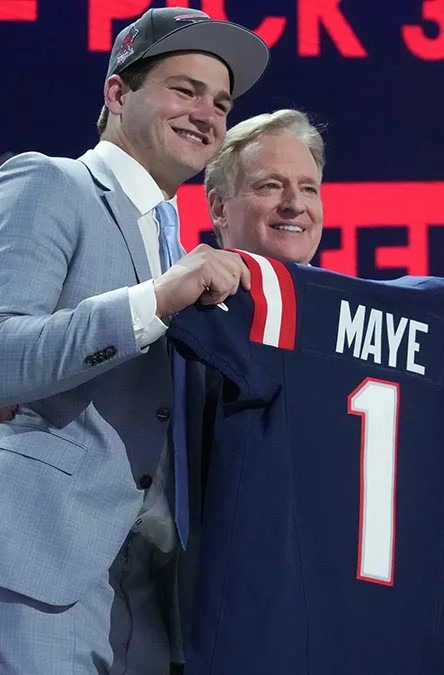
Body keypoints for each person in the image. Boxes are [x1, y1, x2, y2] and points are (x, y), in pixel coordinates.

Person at [0, 6, 268, 674]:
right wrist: (153, 300)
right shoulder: (50, 183)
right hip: (41, 571)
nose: (207, 113)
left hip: (149, 593)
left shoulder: (176, 244)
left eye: (221, 102)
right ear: (118, 93)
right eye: (185, 89)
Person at [205, 108, 325, 263]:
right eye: (271, 186)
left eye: (308, 189)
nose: (296, 205)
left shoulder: (356, 288)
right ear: (219, 208)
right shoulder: (177, 286)